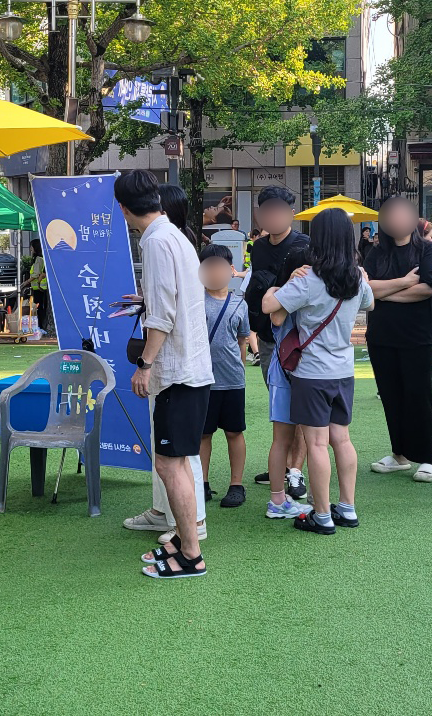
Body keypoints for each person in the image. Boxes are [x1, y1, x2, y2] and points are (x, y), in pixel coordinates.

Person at [113, 171, 213, 579]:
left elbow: (163, 315)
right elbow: (175, 299)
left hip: (176, 371)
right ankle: (183, 541)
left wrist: (145, 364)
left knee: (170, 465)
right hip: (192, 367)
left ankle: (191, 555)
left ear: (123, 209)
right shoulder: (176, 235)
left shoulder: (155, 241)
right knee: (176, 462)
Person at [262, 208, 374, 534]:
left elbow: (270, 307)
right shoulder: (356, 277)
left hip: (312, 373)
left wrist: (272, 289)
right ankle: (347, 508)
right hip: (343, 370)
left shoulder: (308, 279)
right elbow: (369, 303)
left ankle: (322, 515)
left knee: (316, 444)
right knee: (342, 439)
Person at [363, 196, 432, 483]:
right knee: (391, 395)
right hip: (381, 336)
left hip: (417, 336)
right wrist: (404, 282)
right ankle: (399, 455)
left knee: (418, 396)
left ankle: (426, 459)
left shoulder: (427, 250)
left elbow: (429, 288)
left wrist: (385, 294)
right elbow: (366, 289)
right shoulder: (376, 252)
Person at [242, 185, 312, 500]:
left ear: (291, 214)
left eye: (278, 210)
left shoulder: (304, 245)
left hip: (298, 340)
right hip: (269, 337)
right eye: (266, 210)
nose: (272, 216)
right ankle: (283, 466)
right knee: (280, 405)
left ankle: (296, 470)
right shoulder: (257, 247)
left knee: (300, 407)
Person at [197, 244, 252, 508]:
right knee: (203, 434)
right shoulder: (195, 301)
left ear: (231, 270)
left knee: (234, 432)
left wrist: (240, 369)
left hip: (232, 381)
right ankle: (201, 484)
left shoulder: (240, 303)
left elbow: (242, 339)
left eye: (219, 267)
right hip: (202, 380)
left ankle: (236, 485)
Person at [26, 238, 52, 335]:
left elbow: (36, 274)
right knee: (39, 308)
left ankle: (41, 326)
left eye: (31, 246)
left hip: (39, 288)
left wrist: (26, 282)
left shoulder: (39, 259)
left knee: (39, 308)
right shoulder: (39, 259)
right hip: (38, 287)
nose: (30, 249)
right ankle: (40, 326)